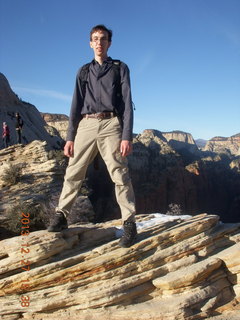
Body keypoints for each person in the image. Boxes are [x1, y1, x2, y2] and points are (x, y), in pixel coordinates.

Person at [48, 24, 137, 247]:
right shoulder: (83, 71)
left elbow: (127, 104)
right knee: (73, 170)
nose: (99, 42)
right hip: (86, 125)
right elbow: (75, 105)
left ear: (109, 43)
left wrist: (127, 135)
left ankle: (129, 222)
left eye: (103, 38)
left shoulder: (119, 68)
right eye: (95, 39)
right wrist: (70, 137)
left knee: (119, 173)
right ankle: (61, 215)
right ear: (90, 43)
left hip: (111, 124)